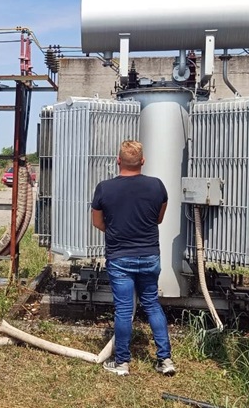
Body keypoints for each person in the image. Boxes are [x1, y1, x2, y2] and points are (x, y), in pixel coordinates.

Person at [91, 140, 176, 377]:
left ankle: (122, 363)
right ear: (143, 161)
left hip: (120, 257)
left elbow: (97, 222)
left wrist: (118, 229)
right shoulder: (157, 186)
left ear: (118, 161)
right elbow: (158, 219)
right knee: (151, 304)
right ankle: (165, 359)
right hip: (149, 256)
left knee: (124, 310)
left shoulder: (104, 188)